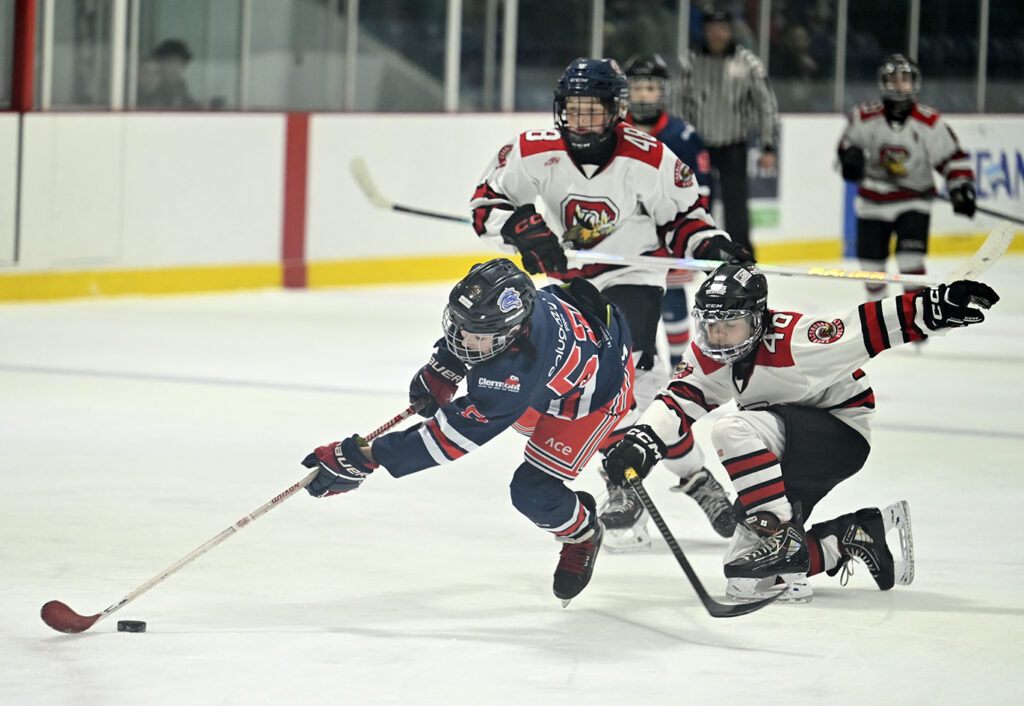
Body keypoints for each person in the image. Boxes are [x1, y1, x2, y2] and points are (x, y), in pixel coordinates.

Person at [469, 57, 751, 550]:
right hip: (570, 282)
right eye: (573, 109)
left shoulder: (650, 158)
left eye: (593, 110)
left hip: (633, 274)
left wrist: (711, 246)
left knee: (614, 376)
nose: (582, 121)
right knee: (633, 390)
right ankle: (695, 477)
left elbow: (684, 219)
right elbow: (485, 206)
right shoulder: (533, 150)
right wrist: (523, 230)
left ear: (616, 110)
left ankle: (623, 483)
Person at [601, 262, 999, 602]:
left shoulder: (798, 340)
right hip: (788, 440)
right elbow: (678, 400)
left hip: (838, 433)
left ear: (757, 319)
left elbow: (867, 326)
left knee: (731, 430)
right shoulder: (710, 352)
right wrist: (640, 442)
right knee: (746, 576)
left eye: (730, 326)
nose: (717, 338)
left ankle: (780, 536)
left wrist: (933, 307)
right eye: (710, 326)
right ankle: (852, 535)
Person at [301, 258, 635, 605]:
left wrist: (367, 458)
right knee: (513, 412)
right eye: (460, 327)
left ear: (512, 332)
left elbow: (449, 439)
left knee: (533, 491)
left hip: (594, 396)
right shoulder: (509, 310)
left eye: (476, 337)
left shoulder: (513, 375)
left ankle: (581, 533)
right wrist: (446, 364)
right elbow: (474, 328)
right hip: (581, 335)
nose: (462, 339)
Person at [620, 52, 735, 540]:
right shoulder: (602, 141)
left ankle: (683, 479)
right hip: (600, 281)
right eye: (637, 87)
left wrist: (696, 246)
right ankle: (636, 489)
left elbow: (694, 203)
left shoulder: (681, 137)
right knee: (604, 395)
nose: (644, 95)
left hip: (648, 268)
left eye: (651, 87)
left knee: (641, 391)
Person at [837, 53, 976, 300]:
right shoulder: (864, 116)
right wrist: (850, 160)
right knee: (871, 268)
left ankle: (916, 314)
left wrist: (960, 187)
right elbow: (845, 151)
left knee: (910, 260)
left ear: (915, 83)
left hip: (914, 201)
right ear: (883, 83)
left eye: (905, 80)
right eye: (893, 80)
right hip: (872, 202)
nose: (899, 86)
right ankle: (878, 314)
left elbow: (952, 159)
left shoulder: (929, 121)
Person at [678, 9, 780, 257]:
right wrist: (681, 143)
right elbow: (679, 105)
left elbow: (766, 104)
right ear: (704, 31)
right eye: (712, 28)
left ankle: (742, 255)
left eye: (722, 28)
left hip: (734, 145)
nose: (717, 34)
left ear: (730, 31)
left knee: (736, 207)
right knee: (699, 203)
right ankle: (702, 251)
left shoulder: (748, 63)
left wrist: (768, 145)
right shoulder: (691, 63)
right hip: (700, 148)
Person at [148, 39, 200, 110]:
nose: (174, 68)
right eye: (169, 61)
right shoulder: (149, 93)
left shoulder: (187, 100)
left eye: (179, 62)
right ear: (160, 63)